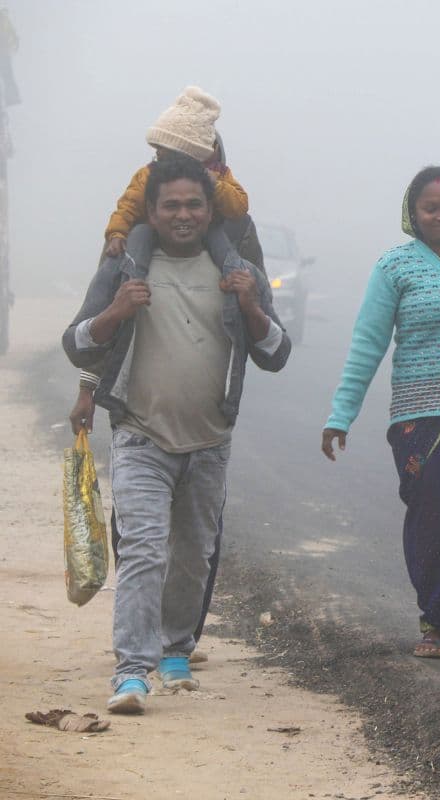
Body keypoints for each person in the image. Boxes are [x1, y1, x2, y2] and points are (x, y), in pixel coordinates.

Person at [61, 155, 291, 714]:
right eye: (171, 205)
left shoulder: (239, 270)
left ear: (210, 210)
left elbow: (277, 353)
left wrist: (252, 306)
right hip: (140, 434)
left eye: (194, 204)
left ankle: (175, 652)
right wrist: (116, 311)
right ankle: (131, 671)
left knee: (193, 555)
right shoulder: (125, 265)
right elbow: (78, 342)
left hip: (210, 442)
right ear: (153, 211)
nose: (183, 214)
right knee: (143, 549)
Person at [322, 166, 440, 659]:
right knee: (436, 514)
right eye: (431, 207)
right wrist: (341, 415)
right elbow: (368, 344)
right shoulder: (395, 268)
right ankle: (435, 618)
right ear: (413, 213)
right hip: (422, 416)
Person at [103, 86, 249, 258]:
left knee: (221, 243)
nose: (183, 215)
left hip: (211, 234)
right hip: (152, 236)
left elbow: (239, 206)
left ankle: (233, 273)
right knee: (139, 236)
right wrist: (117, 234)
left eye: (162, 148)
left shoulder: (219, 175)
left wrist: (215, 184)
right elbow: (128, 207)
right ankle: (133, 276)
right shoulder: (148, 175)